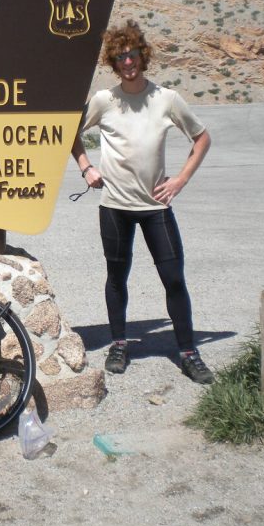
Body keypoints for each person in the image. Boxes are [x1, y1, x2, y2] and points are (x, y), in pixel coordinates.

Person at [71, 20, 214, 384]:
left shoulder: (166, 99)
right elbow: (68, 133)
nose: (127, 63)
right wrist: (86, 166)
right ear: (113, 64)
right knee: (117, 277)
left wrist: (180, 180)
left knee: (173, 278)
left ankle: (188, 351)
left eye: (131, 54)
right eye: (120, 58)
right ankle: (119, 344)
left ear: (142, 55)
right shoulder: (104, 101)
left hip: (156, 208)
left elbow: (201, 139)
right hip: (115, 206)